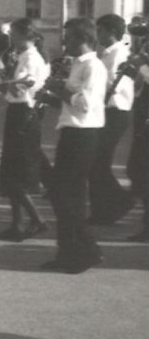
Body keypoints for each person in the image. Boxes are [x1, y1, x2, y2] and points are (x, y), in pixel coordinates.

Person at [41, 18, 108, 274]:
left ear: (81, 40)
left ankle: (87, 249)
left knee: (63, 194)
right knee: (69, 196)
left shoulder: (93, 66)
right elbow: (72, 105)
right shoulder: (78, 65)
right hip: (73, 132)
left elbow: (85, 104)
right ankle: (70, 253)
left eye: (67, 38)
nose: (63, 42)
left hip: (83, 136)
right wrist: (51, 98)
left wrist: (59, 89)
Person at [0, 18, 49, 242]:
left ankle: (36, 219)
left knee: (16, 173)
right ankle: (17, 223)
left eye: (13, 35)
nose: (11, 39)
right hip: (17, 112)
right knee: (10, 172)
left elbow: (19, 90)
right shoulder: (23, 57)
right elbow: (10, 92)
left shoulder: (32, 59)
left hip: (24, 115)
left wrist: (1, 75)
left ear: (26, 35)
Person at [89, 14, 136, 224]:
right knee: (97, 163)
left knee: (98, 163)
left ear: (112, 32)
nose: (97, 34)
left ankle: (118, 203)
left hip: (115, 112)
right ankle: (106, 210)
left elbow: (107, 84)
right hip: (109, 112)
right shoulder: (108, 53)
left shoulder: (116, 54)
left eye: (100, 30)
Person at [127, 57, 149, 241]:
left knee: (143, 174)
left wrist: (140, 69)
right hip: (142, 124)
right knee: (137, 171)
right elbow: (138, 91)